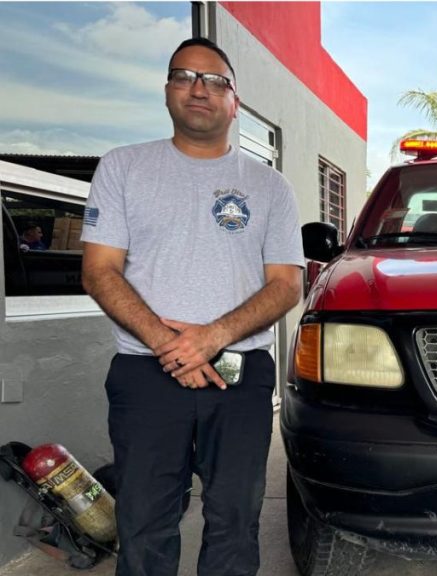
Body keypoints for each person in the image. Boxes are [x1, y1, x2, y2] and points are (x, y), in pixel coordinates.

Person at [80, 37, 303, 576]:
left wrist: (211, 337)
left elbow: (286, 285)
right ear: (167, 92)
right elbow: (98, 270)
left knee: (235, 519)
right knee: (145, 520)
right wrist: (171, 344)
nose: (198, 88)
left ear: (235, 100)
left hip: (240, 377)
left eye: (214, 80)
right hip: (145, 373)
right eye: (183, 76)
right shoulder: (123, 168)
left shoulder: (269, 186)